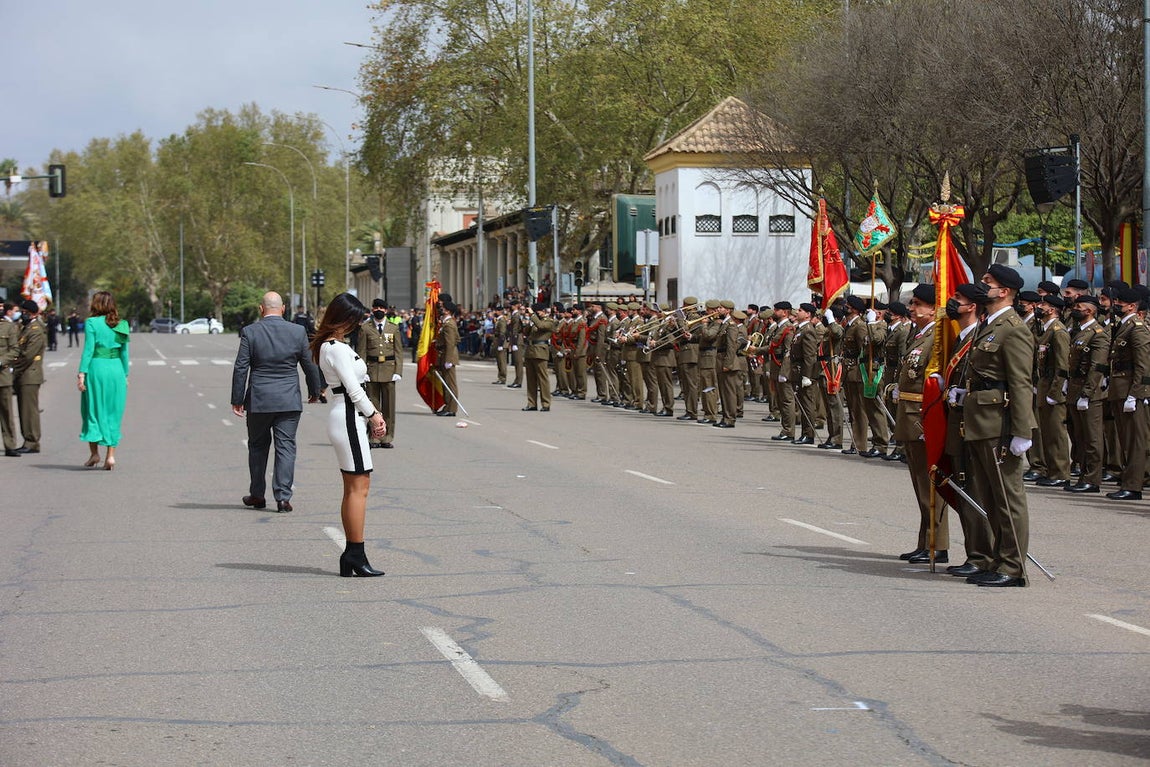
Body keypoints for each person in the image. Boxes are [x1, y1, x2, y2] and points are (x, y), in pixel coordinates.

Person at [959, 264, 1036, 587]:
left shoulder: (1013, 328)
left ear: (1004, 291)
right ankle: (995, 557)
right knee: (990, 497)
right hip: (980, 419)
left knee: (1007, 498)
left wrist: (1022, 431)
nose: (982, 285)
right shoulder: (988, 325)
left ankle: (1013, 567)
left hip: (999, 423)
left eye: (987, 282)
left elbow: (1020, 382)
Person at [311, 293, 388, 577]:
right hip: (348, 416)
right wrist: (375, 415)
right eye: (354, 320)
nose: (357, 325)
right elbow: (354, 389)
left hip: (344, 414)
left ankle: (352, 554)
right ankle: (355, 552)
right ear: (343, 318)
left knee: (353, 488)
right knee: (359, 488)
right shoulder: (336, 348)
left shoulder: (330, 346)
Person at [230, 291, 324, 513]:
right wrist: (315, 391)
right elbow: (309, 365)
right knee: (286, 447)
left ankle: (257, 495)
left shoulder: (250, 332)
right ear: (283, 309)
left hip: (259, 400)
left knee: (257, 447)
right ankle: (283, 497)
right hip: (288, 399)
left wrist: (237, 399)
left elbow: (241, 366)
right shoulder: (298, 331)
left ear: (261, 309)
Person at [77, 291, 130, 470]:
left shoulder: (91, 323)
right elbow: (124, 353)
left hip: (96, 369)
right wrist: (125, 375)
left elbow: (88, 350)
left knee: (92, 410)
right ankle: (111, 456)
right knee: (113, 412)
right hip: (116, 370)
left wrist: (81, 373)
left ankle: (94, 454)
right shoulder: (122, 324)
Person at [357, 299, 404, 448]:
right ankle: (374, 437)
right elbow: (361, 352)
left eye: (382, 308)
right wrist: (362, 371)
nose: (379, 310)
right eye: (376, 307)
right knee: (373, 406)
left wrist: (398, 371)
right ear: (372, 309)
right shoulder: (365, 328)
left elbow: (398, 352)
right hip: (371, 369)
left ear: (386, 310)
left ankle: (387, 437)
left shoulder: (393, 328)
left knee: (389, 406)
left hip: (389, 370)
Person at [13, 300, 46, 454]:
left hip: (29, 375)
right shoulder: (25, 328)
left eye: (24, 312)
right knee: (23, 409)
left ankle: (32, 441)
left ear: (31, 313)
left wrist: (12, 368)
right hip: (24, 375)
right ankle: (28, 439)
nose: (22, 314)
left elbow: (27, 356)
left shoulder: (35, 330)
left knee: (29, 410)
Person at [523, 302, 557, 411]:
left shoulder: (549, 321)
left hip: (541, 351)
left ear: (542, 311)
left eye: (537, 312)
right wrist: (529, 321)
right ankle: (532, 403)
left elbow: (542, 326)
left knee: (542, 379)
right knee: (531, 379)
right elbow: (526, 332)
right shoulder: (534, 321)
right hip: (531, 350)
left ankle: (546, 403)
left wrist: (533, 316)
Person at [0, 302, 21, 457]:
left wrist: (1, 361)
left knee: (7, 412)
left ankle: (10, 445)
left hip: (2, 376)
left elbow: (15, 350)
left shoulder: (8, 327)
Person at [434, 301, 461, 416]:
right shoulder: (447, 323)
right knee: (445, 383)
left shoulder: (449, 324)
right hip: (444, 355)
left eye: (443, 308)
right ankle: (447, 406)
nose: (441, 310)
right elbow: (457, 339)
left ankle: (452, 408)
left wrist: (448, 360)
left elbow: (450, 343)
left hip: (447, 356)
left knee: (450, 384)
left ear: (448, 311)